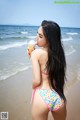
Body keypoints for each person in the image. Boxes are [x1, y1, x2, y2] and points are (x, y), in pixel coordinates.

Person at [28, 20, 67, 120]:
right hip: (57, 97)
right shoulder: (59, 54)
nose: (36, 38)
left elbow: (37, 81)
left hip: (42, 96)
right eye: (37, 34)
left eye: (40, 36)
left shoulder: (36, 54)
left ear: (49, 39)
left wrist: (32, 86)